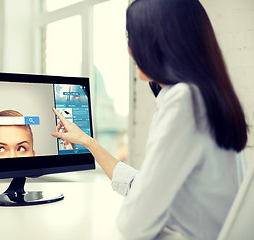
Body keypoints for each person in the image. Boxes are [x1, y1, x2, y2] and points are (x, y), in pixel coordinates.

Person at [51, 0, 248, 239]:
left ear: (156, 38)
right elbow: (145, 185)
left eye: (131, 36)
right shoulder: (208, 94)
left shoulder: (184, 101)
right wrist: (87, 141)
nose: (129, 49)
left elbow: (135, 224)